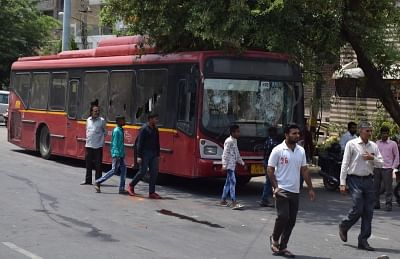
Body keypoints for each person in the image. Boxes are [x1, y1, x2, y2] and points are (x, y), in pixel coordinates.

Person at [267, 123, 315, 258]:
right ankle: (275, 239)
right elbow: (270, 170)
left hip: (295, 190)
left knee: (292, 220)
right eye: (293, 133)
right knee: (283, 216)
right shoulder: (278, 150)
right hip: (282, 189)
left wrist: (310, 188)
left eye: (298, 133)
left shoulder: (301, 151)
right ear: (286, 135)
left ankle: (283, 246)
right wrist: (275, 187)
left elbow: (304, 170)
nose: (297, 136)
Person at [338, 121, 384, 251]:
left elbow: (381, 163)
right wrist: (342, 183)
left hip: (369, 180)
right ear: (361, 131)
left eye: (371, 131)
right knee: (358, 207)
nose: (369, 133)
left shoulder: (373, 146)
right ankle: (344, 225)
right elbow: (345, 163)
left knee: (369, 211)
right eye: (367, 131)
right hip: (354, 179)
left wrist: (372, 158)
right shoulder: (351, 144)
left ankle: (363, 240)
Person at [127, 113, 162, 199]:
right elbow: (140, 143)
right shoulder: (144, 129)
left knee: (154, 172)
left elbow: (157, 143)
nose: (157, 120)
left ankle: (152, 192)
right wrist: (139, 156)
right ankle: (131, 185)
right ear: (150, 119)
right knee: (143, 171)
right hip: (145, 153)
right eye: (155, 119)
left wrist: (158, 155)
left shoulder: (155, 129)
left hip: (154, 154)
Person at [94, 116, 127, 194]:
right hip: (117, 154)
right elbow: (114, 144)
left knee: (124, 170)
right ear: (119, 121)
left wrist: (123, 153)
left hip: (121, 154)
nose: (125, 121)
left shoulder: (121, 130)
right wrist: (116, 154)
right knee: (113, 170)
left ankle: (121, 188)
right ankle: (98, 181)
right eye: (123, 120)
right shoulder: (116, 131)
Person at [220, 124, 246, 210]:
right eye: (237, 132)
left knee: (228, 183)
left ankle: (223, 200)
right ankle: (234, 202)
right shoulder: (229, 141)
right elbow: (225, 154)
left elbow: (237, 154)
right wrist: (224, 165)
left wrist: (242, 163)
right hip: (229, 166)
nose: (239, 133)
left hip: (232, 165)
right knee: (233, 182)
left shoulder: (234, 141)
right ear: (232, 132)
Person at [374, 126, 399, 211]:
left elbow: (397, 156)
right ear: (380, 133)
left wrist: (393, 167)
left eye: (386, 133)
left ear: (388, 134)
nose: (384, 135)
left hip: (387, 168)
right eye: (383, 133)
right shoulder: (377, 143)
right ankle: (376, 203)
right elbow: (374, 155)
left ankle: (388, 204)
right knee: (376, 187)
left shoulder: (393, 144)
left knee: (388, 188)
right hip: (377, 168)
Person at [81, 101, 106, 185]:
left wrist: (102, 141)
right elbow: (87, 130)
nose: (97, 112)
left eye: (98, 111)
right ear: (91, 112)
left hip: (98, 147)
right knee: (88, 165)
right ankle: (88, 180)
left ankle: (98, 181)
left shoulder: (102, 121)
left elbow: (104, 131)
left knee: (98, 166)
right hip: (89, 145)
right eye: (95, 111)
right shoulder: (88, 120)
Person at [260, 127, 280, 207]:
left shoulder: (267, 141)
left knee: (269, 180)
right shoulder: (274, 143)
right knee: (270, 181)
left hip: (265, 161)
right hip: (270, 163)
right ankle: (264, 199)